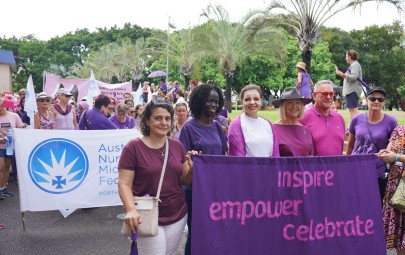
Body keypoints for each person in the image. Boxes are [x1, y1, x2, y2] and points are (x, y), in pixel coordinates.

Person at [118, 102, 193, 255]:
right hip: (147, 215)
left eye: (167, 118)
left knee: (169, 253)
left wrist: (193, 169)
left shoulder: (177, 146)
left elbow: (185, 180)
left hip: (177, 214)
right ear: (147, 121)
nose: (164, 123)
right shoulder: (133, 147)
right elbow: (124, 183)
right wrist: (131, 209)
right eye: (158, 118)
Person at [179, 83, 228, 255]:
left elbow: (223, 156)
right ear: (199, 102)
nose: (213, 105)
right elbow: (183, 161)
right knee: (195, 232)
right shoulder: (188, 127)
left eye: (216, 101)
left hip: (216, 188)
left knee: (213, 230)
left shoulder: (216, 127)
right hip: (194, 190)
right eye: (209, 101)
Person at [346, 87, 397, 201]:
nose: (376, 102)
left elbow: (393, 148)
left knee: (375, 204)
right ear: (367, 100)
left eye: (380, 99)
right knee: (354, 201)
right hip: (356, 168)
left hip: (377, 172)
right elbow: (350, 145)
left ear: (384, 102)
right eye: (372, 98)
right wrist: (346, 164)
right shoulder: (356, 119)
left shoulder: (391, 122)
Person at [228, 84, 279, 157]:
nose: (252, 102)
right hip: (248, 168)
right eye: (247, 99)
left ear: (261, 100)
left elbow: (275, 155)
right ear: (241, 102)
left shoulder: (268, 124)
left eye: (256, 99)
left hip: (269, 168)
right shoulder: (236, 125)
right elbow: (238, 159)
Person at [376, 126, 405, 255]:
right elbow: (391, 149)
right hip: (396, 189)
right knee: (399, 238)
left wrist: (397, 157)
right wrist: (385, 154)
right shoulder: (399, 130)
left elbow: (396, 156)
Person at [300, 80, 346, 156]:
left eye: (331, 94)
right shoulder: (303, 117)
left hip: (337, 166)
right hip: (313, 167)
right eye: (324, 94)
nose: (328, 97)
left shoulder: (339, 118)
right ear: (314, 96)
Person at [273, 87, 315, 156]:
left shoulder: (306, 130)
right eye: (290, 103)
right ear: (283, 106)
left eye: (298, 103)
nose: (294, 106)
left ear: (302, 106)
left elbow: (311, 156)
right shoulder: (274, 129)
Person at [0, 97, 25, 200]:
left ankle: (3, 188)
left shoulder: (14, 116)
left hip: (10, 146)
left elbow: (20, 128)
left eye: (1, 105)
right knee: (0, 167)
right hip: (0, 146)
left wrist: (22, 127)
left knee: (6, 168)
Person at [336, 49, 363, 126]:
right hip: (351, 90)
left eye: (346, 56)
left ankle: (357, 127)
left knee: (353, 110)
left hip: (352, 90)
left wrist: (342, 74)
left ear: (350, 57)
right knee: (352, 110)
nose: (345, 58)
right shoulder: (354, 65)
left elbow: (354, 76)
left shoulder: (355, 65)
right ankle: (351, 128)